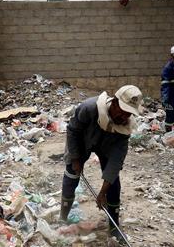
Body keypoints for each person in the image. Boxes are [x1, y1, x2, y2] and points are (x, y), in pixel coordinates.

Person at [60, 85, 144, 239]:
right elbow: (73, 130)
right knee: (71, 175)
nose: (124, 116)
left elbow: (115, 164)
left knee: (113, 182)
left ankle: (114, 227)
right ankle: (63, 218)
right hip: (83, 140)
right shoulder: (89, 108)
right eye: (122, 110)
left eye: (128, 113)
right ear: (115, 102)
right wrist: (76, 158)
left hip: (107, 145)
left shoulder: (124, 130)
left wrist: (102, 192)